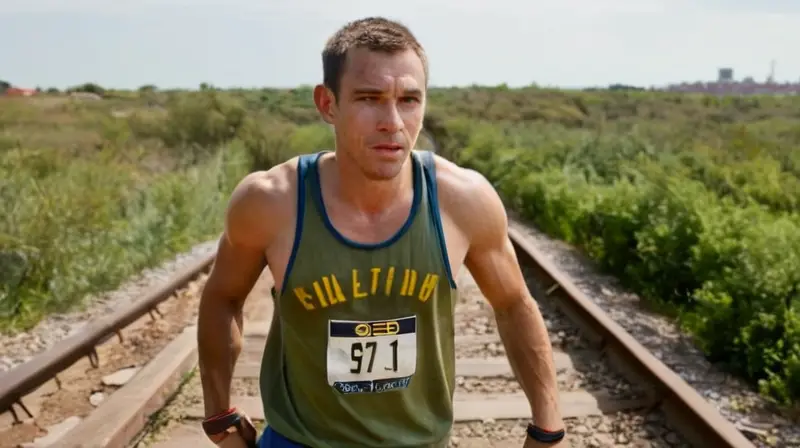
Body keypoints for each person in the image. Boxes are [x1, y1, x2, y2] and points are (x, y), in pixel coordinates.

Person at [196, 16, 566, 448]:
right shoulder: (271, 202)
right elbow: (223, 296)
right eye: (369, 98)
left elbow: (514, 303)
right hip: (300, 440)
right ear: (327, 103)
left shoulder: (463, 200)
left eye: (409, 99)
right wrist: (219, 416)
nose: (392, 121)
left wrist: (548, 424)